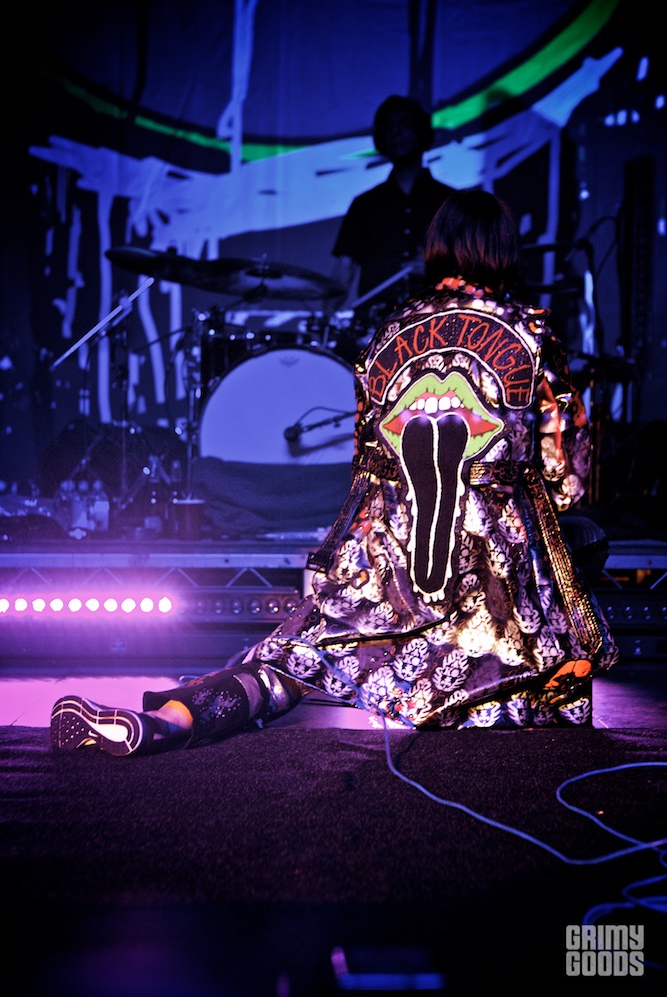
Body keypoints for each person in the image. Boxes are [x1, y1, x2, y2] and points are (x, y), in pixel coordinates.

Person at [50, 189, 619, 756]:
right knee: (571, 569)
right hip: (490, 571)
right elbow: (563, 474)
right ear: (503, 250)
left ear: (437, 247)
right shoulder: (530, 331)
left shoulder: (389, 332)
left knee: (290, 660)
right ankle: (476, 705)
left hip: (390, 557)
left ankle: (166, 723)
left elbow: (364, 460)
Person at [330, 95, 454, 337]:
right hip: (375, 327)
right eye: (389, 127)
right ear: (380, 138)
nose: (396, 133)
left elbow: (472, 266)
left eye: (404, 124)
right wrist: (328, 315)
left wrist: (436, 267)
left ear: (421, 132)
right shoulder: (365, 204)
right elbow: (344, 269)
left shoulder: (451, 202)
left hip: (438, 325)